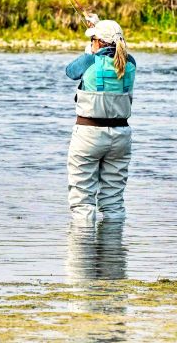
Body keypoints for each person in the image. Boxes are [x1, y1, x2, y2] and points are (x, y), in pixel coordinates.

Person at [64, 18, 136, 223]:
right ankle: (113, 253)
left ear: (98, 42)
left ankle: (82, 246)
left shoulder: (89, 61)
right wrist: (97, 32)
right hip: (121, 137)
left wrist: (89, 50)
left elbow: (70, 72)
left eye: (93, 40)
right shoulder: (130, 63)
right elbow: (115, 52)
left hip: (89, 135)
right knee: (114, 201)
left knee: (82, 201)